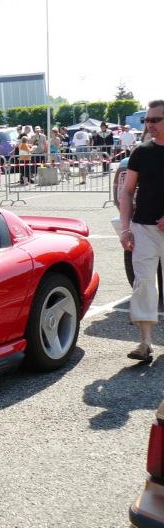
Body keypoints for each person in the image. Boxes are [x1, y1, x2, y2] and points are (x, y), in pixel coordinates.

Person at [119, 100, 164, 363]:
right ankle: (145, 344)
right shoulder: (141, 152)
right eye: (147, 120)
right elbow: (126, 192)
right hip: (143, 228)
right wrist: (125, 229)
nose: (149, 125)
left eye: (155, 120)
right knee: (144, 284)